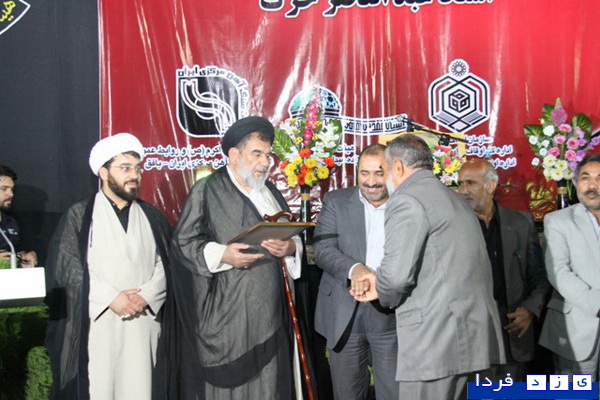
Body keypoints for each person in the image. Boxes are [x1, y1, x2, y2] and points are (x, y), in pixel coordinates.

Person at [351, 134, 504, 400]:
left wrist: (382, 290)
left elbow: (396, 278)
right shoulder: (455, 199)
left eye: (385, 170)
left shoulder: (407, 199)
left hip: (436, 342)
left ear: (398, 167)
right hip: (475, 338)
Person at [168, 116, 305, 399]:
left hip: (273, 314)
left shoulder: (270, 192)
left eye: (267, 155)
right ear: (234, 154)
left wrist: (291, 248)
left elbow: (291, 235)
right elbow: (183, 244)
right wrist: (224, 254)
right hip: (229, 320)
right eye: (257, 154)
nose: (265, 162)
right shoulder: (207, 190)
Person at [44, 133, 172, 399]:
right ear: (103, 172)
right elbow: (67, 267)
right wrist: (110, 297)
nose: (134, 175)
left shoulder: (153, 217)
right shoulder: (80, 215)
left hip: (143, 322)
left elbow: (167, 264)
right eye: (125, 168)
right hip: (99, 324)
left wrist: (147, 295)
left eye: (137, 168)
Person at [313, 143, 398, 400]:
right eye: (364, 173)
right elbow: (322, 249)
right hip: (344, 312)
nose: (371, 182)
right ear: (356, 172)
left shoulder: (407, 204)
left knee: (394, 393)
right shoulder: (336, 201)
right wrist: (356, 270)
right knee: (347, 393)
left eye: (379, 173)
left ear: (393, 170)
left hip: (391, 315)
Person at [457, 159, 550, 382]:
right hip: (471, 332)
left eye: (471, 183)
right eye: (460, 183)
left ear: (491, 186)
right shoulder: (452, 225)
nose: (463, 190)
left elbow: (539, 277)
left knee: (510, 391)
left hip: (512, 327)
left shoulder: (520, 224)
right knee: (476, 392)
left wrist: (529, 310)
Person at [539, 154, 600, 380]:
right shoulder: (558, 220)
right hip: (577, 329)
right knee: (573, 392)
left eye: (599, 178)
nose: (592, 185)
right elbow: (558, 272)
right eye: (585, 178)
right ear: (575, 183)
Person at [0, 165, 37, 267]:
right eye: (4, 189)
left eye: (12, 189)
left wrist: (25, 256)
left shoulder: (11, 222)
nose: (11, 194)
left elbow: (16, 250)